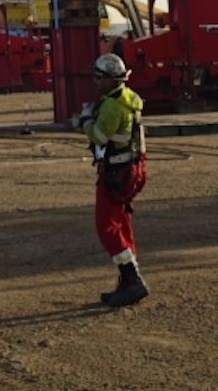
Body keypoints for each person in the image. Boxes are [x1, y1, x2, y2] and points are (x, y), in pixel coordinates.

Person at [78, 53, 149, 308]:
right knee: (122, 225)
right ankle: (128, 280)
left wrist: (85, 119)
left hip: (116, 173)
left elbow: (99, 136)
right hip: (131, 170)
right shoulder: (129, 99)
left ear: (110, 79)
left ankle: (132, 280)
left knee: (106, 227)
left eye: (99, 78)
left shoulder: (111, 106)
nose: (96, 82)